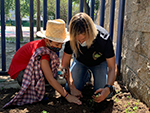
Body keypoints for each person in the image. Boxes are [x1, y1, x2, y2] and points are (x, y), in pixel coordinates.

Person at [3, 19, 82, 108]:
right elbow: (50, 79)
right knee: (49, 74)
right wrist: (67, 96)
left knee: (55, 70)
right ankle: (34, 93)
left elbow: (63, 67)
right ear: (48, 41)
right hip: (21, 73)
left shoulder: (46, 46)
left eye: (61, 44)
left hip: (26, 69)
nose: (59, 47)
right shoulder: (42, 52)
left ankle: (42, 90)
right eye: (57, 45)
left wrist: (72, 88)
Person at [61, 13, 117, 103]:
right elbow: (64, 65)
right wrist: (72, 87)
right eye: (78, 40)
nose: (81, 42)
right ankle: (85, 76)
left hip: (99, 64)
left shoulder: (103, 38)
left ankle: (107, 83)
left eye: (84, 39)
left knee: (105, 94)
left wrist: (108, 88)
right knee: (68, 89)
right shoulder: (70, 38)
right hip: (80, 62)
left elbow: (112, 67)